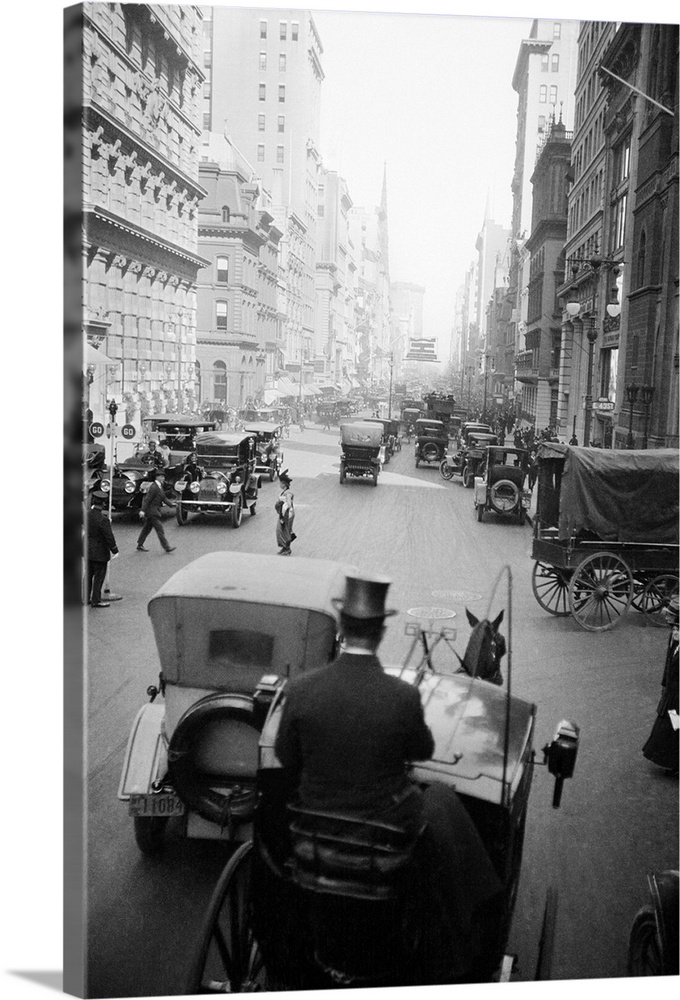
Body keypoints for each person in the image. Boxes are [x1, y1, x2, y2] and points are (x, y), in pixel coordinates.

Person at [275, 574, 504, 981]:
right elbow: (423, 751)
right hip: (382, 853)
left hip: (311, 841)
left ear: (342, 627)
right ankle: (466, 936)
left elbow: (285, 758)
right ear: (381, 632)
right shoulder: (402, 697)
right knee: (439, 800)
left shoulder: (302, 690)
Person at [86, 491, 118, 608]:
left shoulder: (87, 515)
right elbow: (108, 536)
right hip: (100, 553)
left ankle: (85, 598)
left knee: (88, 575)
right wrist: (115, 550)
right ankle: (96, 600)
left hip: (88, 550)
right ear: (103, 504)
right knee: (99, 577)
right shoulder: (103, 520)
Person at [136, 469, 176, 552]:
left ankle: (140, 544)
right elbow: (147, 499)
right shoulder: (154, 487)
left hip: (153, 511)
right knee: (160, 529)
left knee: (146, 529)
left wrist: (172, 505)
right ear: (158, 477)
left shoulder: (159, 487)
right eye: (162, 477)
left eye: (163, 477)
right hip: (152, 511)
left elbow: (163, 498)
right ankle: (166, 547)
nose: (163, 478)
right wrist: (142, 511)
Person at [275, 469, 295, 555]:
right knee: (281, 530)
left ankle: (287, 549)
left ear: (284, 484)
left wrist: (283, 515)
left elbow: (288, 504)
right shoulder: (284, 492)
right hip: (284, 514)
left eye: (280, 483)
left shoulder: (288, 493)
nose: (279, 484)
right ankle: (284, 547)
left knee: (284, 530)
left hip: (286, 514)